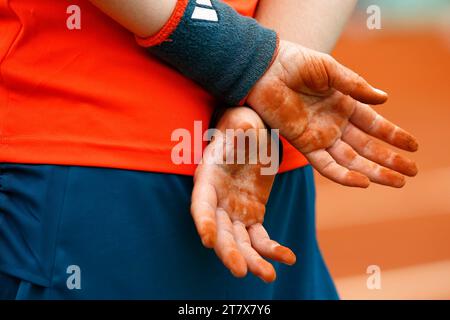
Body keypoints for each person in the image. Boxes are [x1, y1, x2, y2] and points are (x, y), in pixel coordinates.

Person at [0, 0, 417, 299]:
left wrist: (254, 72)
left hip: (102, 164)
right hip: (255, 158)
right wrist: (262, 82)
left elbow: (258, 67)